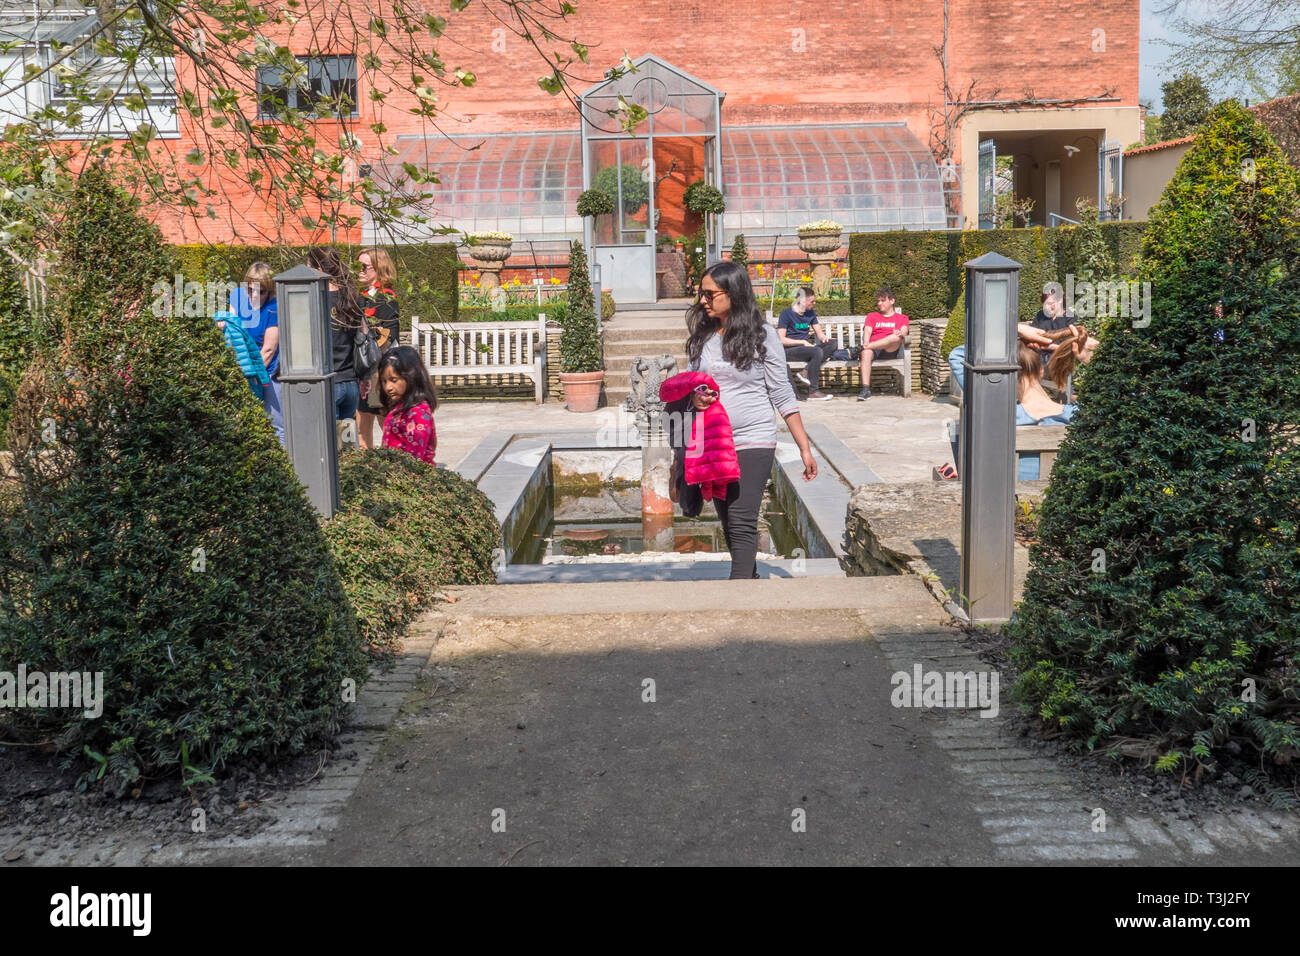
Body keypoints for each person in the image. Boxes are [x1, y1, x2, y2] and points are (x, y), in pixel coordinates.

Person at [683, 260, 818, 580]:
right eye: (700, 293)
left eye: (709, 293)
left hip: (754, 438)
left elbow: (782, 393)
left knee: (742, 518)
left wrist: (805, 448)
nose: (702, 300)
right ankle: (751, 582)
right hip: (714, 442)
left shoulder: (763, 335)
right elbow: (693, 386)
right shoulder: (703, 336)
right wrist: (695, 397)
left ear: (733, 293)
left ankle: (738, 594)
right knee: (729, 521)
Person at [307, 246, 365, 421]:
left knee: (328, 443)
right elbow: (363, 337)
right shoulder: (352, 296)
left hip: (327, 382)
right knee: (347, 443)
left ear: (318, 269)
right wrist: (365, 376)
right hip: (351, 382)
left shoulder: (315, 298)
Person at [230, 261, 283, 444]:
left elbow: (268, 350)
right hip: (241, 370)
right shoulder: (237, 297)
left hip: (266, 373)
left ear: (269, 291)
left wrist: (250, 374)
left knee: (275, 425)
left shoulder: (273, 308)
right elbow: (232, 331)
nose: (254, 295)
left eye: (261, 292)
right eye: (250, 289)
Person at [356, 248, 401, 449]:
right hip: (364, 370)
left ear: (379, 268)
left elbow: (388, 336)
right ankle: (365, 467)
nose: (359, 271)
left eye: (364, 267)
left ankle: (397, 467)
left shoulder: (386, 297)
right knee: (361, 421)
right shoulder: (361, 296)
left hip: (380, 369)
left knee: (385, 421)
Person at [376, 345, 437, 465]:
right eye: (384, 381)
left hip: (412, 477)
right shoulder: (399, 407)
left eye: (394, 380)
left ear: (411, 377)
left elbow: (414, 459)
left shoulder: (418, 413)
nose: (388, 387)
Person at [776, 286, 834, 401]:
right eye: (811, 301)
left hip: (806, 350)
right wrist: (802, 342)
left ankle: (806, 371)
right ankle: (813, 392)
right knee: (817, 351)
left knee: (833, 344)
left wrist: (824, 338)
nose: (814, 303)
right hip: (789, 350)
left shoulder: (810, 313)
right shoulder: (786, 314)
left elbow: (819, 333)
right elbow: (781, 339)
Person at [857, 286, 909, 400]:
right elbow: (867, 331)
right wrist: (866, 343)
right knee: (866, 353)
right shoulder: (872, 316)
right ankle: (866, 389)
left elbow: (904, 331)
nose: (879, 303)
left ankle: (866, 347)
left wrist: (900, 332)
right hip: (874, 349)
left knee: (896, 337)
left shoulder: (902, 318)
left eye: (883, 300)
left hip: (891, 349)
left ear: (892, 301)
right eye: (878, 301)